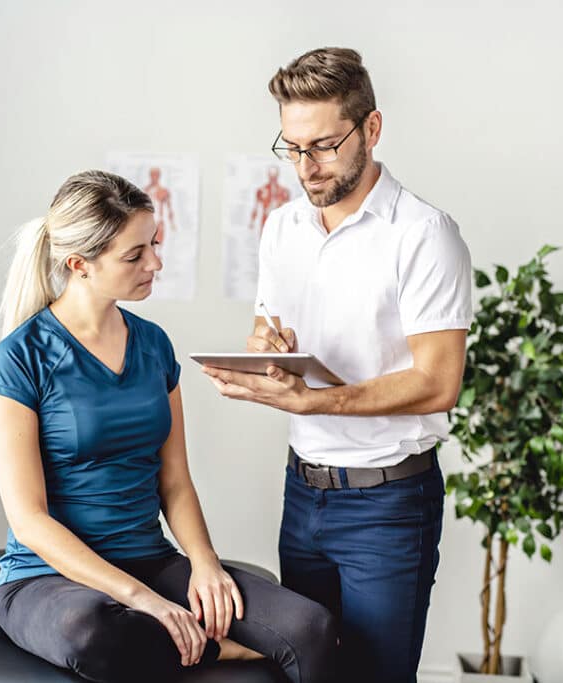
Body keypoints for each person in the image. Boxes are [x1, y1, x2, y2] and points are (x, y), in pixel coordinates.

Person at [0, 170, 338, 683]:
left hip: (149, 557)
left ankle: (185, 629)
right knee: (92, 631)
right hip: (48, 577)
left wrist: (205, 563)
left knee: (311, 628)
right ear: (79, 264)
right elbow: (30, 519)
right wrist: (143, 599)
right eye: (135, 255)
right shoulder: (19, 359)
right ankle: (220, 651)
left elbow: (174, 481)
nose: (155, 263)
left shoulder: (153, 346)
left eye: (155, 244)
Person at [201, 48, 473, 682]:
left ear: (371, 129)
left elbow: (438, 382)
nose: (306, 166)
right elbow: (268, 327)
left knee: (374, 674)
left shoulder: (425, 234)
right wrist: (267, 350)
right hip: (304, 493)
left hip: (388, 501)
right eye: (292, 148)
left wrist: (315, 401)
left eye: (323, 146)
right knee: (306, 670)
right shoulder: (282, 227)